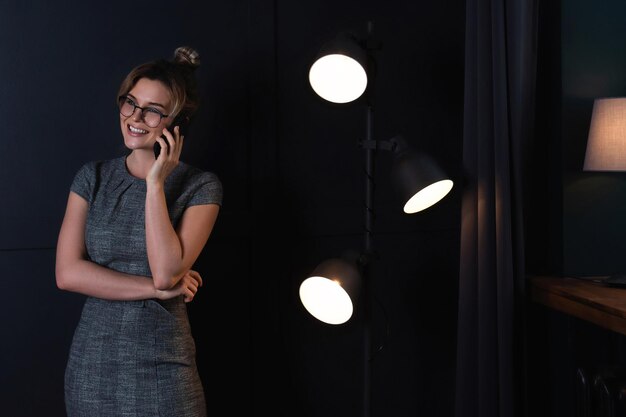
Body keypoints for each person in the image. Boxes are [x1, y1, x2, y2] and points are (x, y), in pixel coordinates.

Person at [55, 46, 222, 417]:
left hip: (163, 368)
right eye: (130, 103)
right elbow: (67, 274)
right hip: (91, 368)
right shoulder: (92, 177)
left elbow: (165, 270)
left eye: (153, 111)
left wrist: (155, 185)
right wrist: (157, 289)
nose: (135, 117)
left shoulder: (201, 187)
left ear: (177, 123)